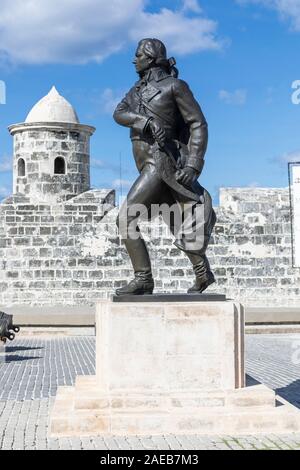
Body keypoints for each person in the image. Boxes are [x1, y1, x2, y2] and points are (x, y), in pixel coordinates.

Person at [113, 38, 216, 296]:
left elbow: (198, 124)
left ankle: (144, 278)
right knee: (176, 221)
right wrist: (144, 122)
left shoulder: (175, 87)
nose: (134, 60)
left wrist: (194, 163)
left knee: (125, 218)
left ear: (151, 59)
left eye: (138, 55)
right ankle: (203, 273)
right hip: (145, 164)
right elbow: (119, 113)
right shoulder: (136, 91)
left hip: (160, 162)